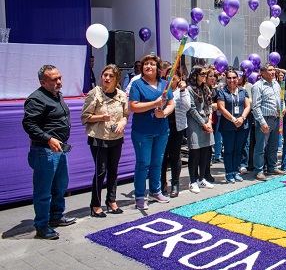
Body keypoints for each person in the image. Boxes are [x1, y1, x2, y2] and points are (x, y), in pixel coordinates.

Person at [23, 65, 77, 239]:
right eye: (54, 80)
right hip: (45, 151)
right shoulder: (36, 99)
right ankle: (41, 226)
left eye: (59, 78)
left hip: (60, 149)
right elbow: (29, 124)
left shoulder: (56, 95)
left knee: (60, 186)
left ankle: (56, 216)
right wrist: (48, 138)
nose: (59, 82)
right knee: (43, 191)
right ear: (43, 82)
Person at [81, 64, 129, 217]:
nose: (107, 78)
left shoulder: (121, 95)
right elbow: (84, 117)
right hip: (99, 137)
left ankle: (111, 200)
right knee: (101, 171)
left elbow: (126, 115)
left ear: (116, 79)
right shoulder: (94, 93)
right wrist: (101, 117)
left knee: (113, 170)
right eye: (105, 75)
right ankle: (95, 204)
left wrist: (122, 122)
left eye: (110, 76)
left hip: (116, 137)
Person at [129, 54, 174, 210]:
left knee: (157, 162)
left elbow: (170, 103)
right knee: (143, 163)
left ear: (158, 68)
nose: (148, 66)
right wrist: (154, 104)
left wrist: (164, 113)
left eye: (152, 64)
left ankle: (155, 191)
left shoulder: (164, 84)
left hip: (161, 130)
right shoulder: (137, 85)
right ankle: (140, 196)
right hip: (142, 131)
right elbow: (133, 106)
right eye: (146, 64)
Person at [251, 63, 286, 181]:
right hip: (265, 119)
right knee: (261, 146)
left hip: (276, 118)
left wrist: (284, 106)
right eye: (270, 70)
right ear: (262, 72)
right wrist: (262, 122)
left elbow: (280, 98)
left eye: (273, 70)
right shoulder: (258, 86)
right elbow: (256, 106)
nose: (273, 72)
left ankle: (272, 167)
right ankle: (259, 170)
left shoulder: (276, 84)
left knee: (273, 145)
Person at [160, 68, 190, 197]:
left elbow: (187, 107)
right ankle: (162, 183)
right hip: (162, 127)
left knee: (175, 156)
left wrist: (183, 91)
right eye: (168, 75)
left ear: (179, 78)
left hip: (177, 128)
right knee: (161, 157)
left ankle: (175, 184)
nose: (170, 77)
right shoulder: (162, 90)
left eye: (174, 76)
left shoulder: (182, 91)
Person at [217, 68, 250, 183]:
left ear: (238, 78)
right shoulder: (222, 92)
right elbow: (221, 107)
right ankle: (229, 172)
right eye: (229, 78)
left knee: (238, 149)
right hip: (228, 125)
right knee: (229, 150)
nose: (232, 80)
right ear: (226, 79)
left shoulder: (242, 91)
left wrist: (242, 118)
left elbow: (247, 106)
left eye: (234, 78)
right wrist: (233, 119)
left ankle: (236, 171)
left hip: (242, 124)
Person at [187, 66, 215, 192]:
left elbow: (209, 106)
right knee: (195, 152)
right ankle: (193, 181)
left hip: (206, 122)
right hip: (195, 123)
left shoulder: (206, 88)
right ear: (195, 75)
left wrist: (209, 121)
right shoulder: (189, 89)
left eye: (205, 74)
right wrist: (203, 123)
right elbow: (192, 109)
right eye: (202, 74)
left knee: (205, 151)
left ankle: (202, 178)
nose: (204, 76)